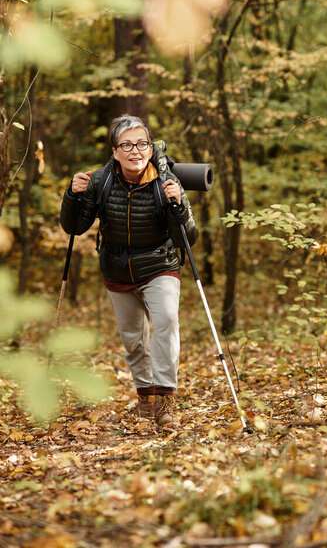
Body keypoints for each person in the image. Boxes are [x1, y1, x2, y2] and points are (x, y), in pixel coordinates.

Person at [60, 115, 199, 431]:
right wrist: (72, 195)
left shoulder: (167, 184)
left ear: (149, 148)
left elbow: (187, 240)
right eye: (127, 144)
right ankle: (146, 398)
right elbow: (75, 227)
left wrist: (180, 208)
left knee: (166, 321)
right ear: (114, 151)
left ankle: (165, 403)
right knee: (134, 340)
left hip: (160, 264)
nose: (135, 150)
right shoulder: (100, 181)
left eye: (141, 143)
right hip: (117, 270)